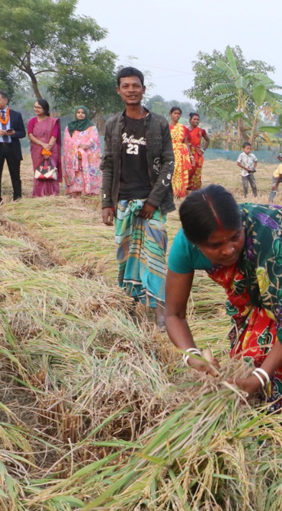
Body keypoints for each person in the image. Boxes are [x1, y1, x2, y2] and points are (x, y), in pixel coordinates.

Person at [164, 185, 282, 414]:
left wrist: (260, 377)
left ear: (242, 226)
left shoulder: (265, 237)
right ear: (195, 243)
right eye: (215, 245)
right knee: (247, 357)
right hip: (258, 276)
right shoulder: (184, 247)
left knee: (277, 365)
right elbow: (174, 314)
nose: (228, 250)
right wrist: (193, 357)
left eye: (235, 237)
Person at [101, 66, 175, 330]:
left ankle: (160, 312)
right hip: (122, 202)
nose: (131, 90)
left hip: (152, 203)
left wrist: (153, 201)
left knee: (155, 255)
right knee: (126, 256)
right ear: (119, 91)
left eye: (135, 86)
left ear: (143, 89)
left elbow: (168, 163)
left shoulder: (159, 124)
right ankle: (130, 304)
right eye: (126, 86)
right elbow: (108, 164)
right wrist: (106, 203)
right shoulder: (112, 125)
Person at [62, 105, 101, 198]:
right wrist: (77, 147)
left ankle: (89, 193)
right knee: (76, 174)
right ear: (75, 114)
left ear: (86, 114)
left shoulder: (92, 127)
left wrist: (85, 146)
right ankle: (75, 194)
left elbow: (94, 138)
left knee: (89, 171)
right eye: (78, 112)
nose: (80, 114)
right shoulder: (70, 127)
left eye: (83, 113)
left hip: (88, 155)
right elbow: (67, 139)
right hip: (74, 155)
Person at [27, 99, 60, 197]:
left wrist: (47, 148)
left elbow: (54, 135)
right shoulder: (32, 121)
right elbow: (30, 135)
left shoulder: (53, 121)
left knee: (51, 169)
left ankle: (52, 194)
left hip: (51, 149)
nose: (36, 109)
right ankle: (39, 194)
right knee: (39, 170)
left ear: (45, 109)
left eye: (39, 107)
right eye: (35, 107)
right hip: (37, 149)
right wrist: (42, 145)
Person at [168, 107, 191, 199]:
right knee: (172, 171)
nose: (177, 115)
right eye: (175, 113)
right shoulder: (166, 127)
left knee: (181, 172)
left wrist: (191, 156)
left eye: (178, 114)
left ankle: (180, 191)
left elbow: (186, 142)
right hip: (170, 152)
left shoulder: (182, 127)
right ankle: (172, 191)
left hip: (182, 153)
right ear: (170, 114)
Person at [186, 113, 209, 192]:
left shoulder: (201, 131)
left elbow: (208, 140)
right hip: (187, 153)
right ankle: (185, 186)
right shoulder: (185, 130)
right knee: (187, 169)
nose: (196, 121)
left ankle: (195, 187)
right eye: (194, 119)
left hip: (198, 154)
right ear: (190, 120)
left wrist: (203, 150)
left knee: (197, 170)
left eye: (198, 119)